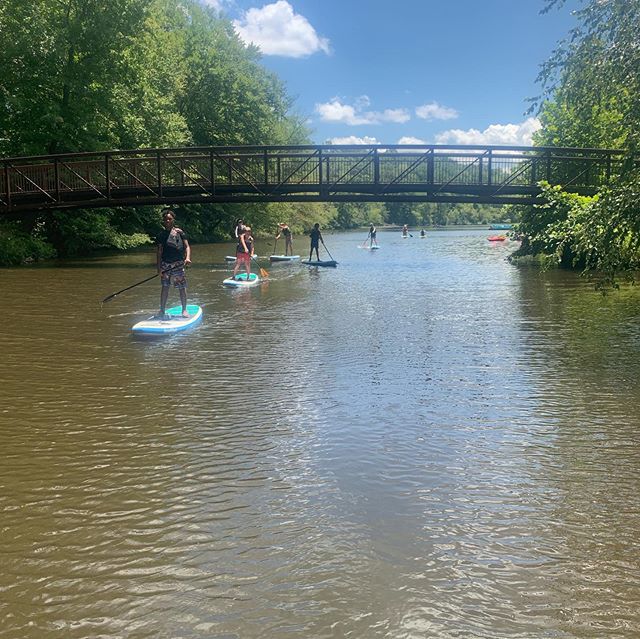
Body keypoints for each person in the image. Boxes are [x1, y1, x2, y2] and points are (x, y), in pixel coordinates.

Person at [156, 209, 191, 318]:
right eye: (166, 219)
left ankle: (184, 310)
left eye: (169, 219)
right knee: (165, 288)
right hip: (165, 265)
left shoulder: (180, 233)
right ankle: (162, 310)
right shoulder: (161, 235)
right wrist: (159, 268)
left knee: (181, 287)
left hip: (178, 264)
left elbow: (187, 247)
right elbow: (159, 252)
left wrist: (188, 258)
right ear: (163, 221)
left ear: (173, 220)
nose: (167, 220)